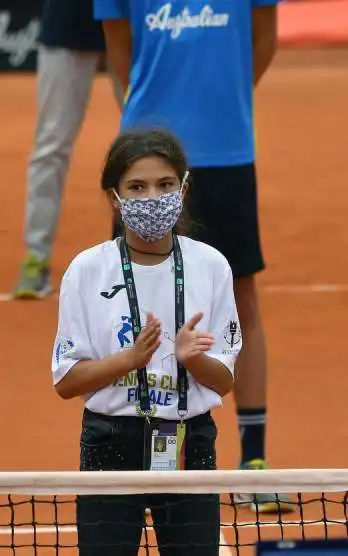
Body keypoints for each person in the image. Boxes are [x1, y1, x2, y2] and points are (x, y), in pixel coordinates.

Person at [93, 0, 290, 513]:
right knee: (135, 296)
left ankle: (253, 461)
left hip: (227, 150)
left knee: (241, 293)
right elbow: (121, 57)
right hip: (148, 155)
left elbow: (263, 42)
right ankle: (135, 452)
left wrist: (220, 103)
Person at [51, 128, 238, 555]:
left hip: (191, 442)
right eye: (137, 186)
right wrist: (131, 358)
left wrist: (193, 360)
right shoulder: (86, 271)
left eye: (165, 185)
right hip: (109, 444)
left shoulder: (210, 266)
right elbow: (65, 381)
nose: (152, 197)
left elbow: (224, 380)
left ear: (183, 188)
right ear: (114, 196)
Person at [13, 0, 124, 298]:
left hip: (132, 19)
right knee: (51, 144)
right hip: (67, 19)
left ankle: (149, 251)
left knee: (145, 141)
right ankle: (36, 258)